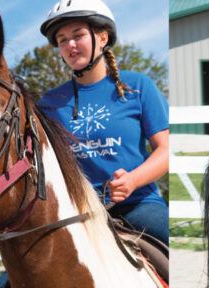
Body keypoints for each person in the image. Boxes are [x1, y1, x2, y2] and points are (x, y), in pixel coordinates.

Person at [37, 0, 169, 244]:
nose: (70, 45)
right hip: (75, 212)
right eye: (62, 40)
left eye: (78, 35)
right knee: (7, 283)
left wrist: (132, 181)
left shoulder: (138, 87)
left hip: (137, 204)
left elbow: (166, 150)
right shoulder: (48, 103)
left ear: (103, 38)